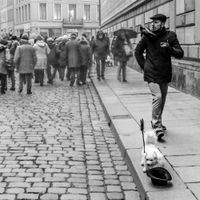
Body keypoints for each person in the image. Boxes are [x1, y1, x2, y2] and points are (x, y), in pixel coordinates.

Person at [134, 13, 184, 140]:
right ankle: (156, 126)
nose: (153, 24)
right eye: (152, 22)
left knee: (162, 99)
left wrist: (170, 49)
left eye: (156, 22)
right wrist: (144, 66)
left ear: (162, 24)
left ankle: (158, 122)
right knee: (157, 97)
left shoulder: (170, 36)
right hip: (151, 72)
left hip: (165, 72)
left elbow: (180, 53)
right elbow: (137, 52)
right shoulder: (147, 37)